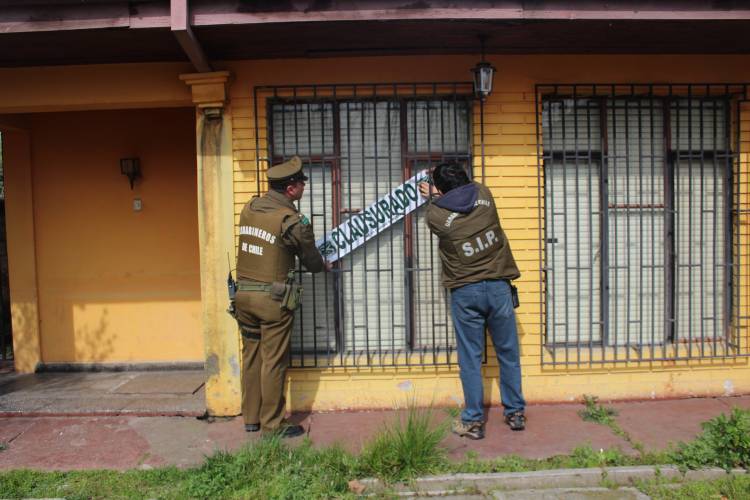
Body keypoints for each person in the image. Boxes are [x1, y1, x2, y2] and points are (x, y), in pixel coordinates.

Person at [419, 162, 526, 440]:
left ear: (441, 190)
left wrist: (433, 195)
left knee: (470, 358)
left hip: (466, 292)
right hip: (499, 288)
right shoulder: (484, 194)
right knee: (508, 354)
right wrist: (440, 190)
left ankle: (474, 421)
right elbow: (465, 195)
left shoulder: (435, 215)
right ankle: (515, 413)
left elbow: (448, 206)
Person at [235, 155, 329, 438]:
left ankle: (251, 418)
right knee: (273, 360)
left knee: (251, 356)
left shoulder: (250, 208)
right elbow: (313, 263)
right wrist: (322, 261)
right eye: (302, 183)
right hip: (272, 302)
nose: (304, 187)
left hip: (243, 296)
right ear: (290, 189)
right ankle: (272, 425)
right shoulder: (291, 220)